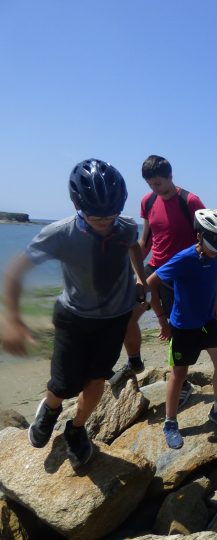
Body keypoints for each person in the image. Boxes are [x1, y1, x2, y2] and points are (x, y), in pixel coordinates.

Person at [2, 159, 146, 465]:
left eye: (112, 214)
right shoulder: (59, 234)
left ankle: (76, 429)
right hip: (74, 318)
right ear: (77, 204)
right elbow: (15, 272)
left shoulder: (127, 226)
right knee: (63, 385)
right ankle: (50, 409)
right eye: (97, 216)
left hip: (115, 318)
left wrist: (139, 275)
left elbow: (134, 245)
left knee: (97, 381)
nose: (106, 221)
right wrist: (12, 320)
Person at [116, 155, 204, 408]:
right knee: (127, 316)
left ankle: (182, 383)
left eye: (159, 184)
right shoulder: (148, 201)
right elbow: (146, 239)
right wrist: (133, 272)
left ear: (170, 177)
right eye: (150, 184)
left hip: (183, 272)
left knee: (178, 331)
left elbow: (206, 240)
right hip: (155, 267)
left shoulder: (191, 201)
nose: (155, 189)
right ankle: (134, 362)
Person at [148, 209, 217, 449]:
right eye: (214, 243)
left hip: (207, 321)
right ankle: (170, 422)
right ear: (199, 235)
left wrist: (215, 303)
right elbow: (150, 284)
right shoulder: (184, 258)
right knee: (179, 375)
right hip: (183, 326)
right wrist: (161, 320)